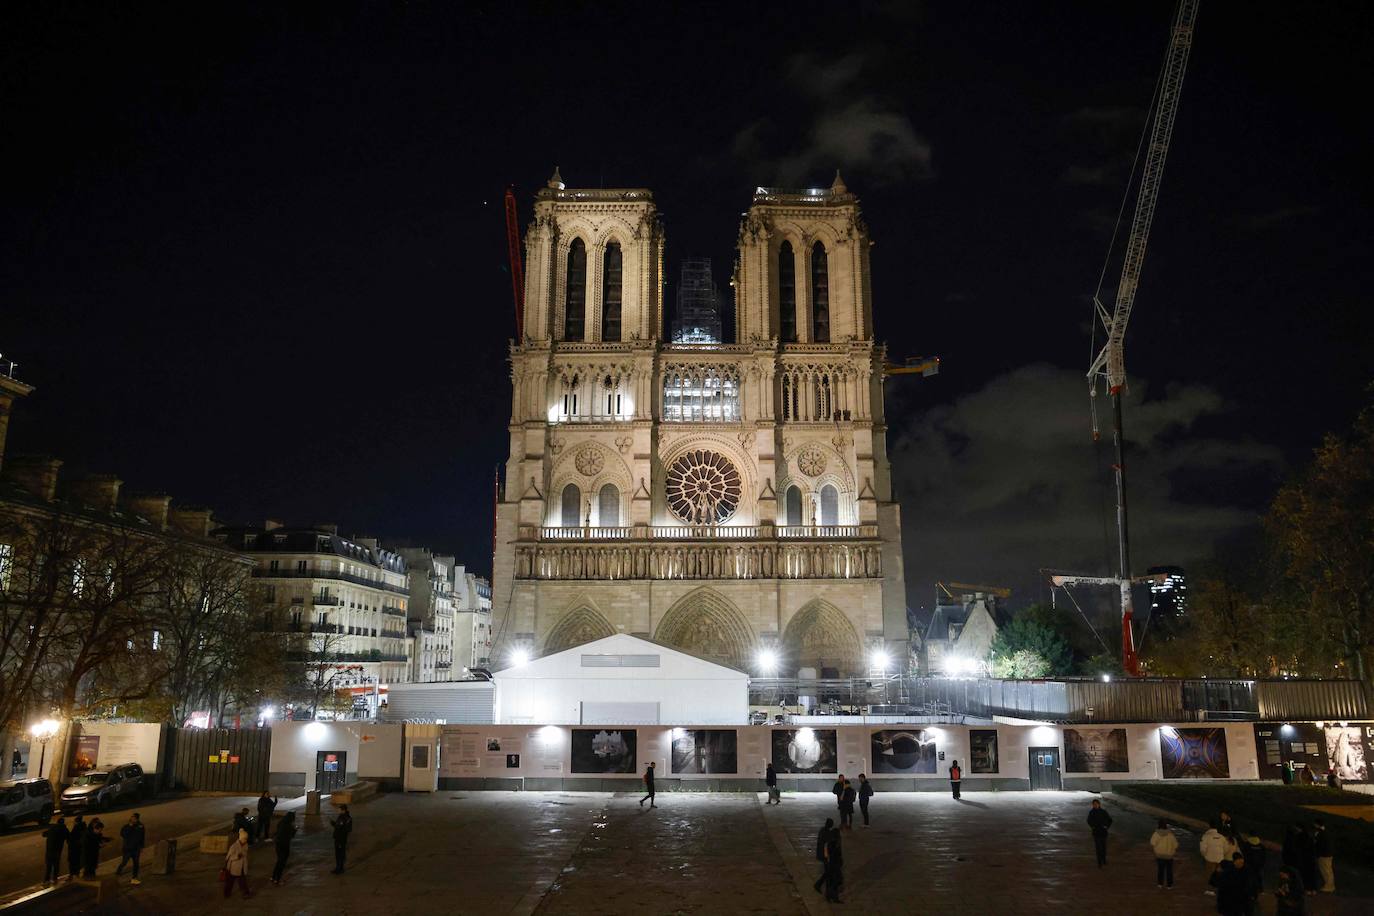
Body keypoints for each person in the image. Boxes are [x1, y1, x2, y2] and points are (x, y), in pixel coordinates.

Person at [1200, 819, 1230, 894]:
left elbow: (1202, 849)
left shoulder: (1206, 836)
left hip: (1210, 858)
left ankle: (1210, 890)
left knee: (1210, 874)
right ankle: (1218, 889)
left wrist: (1205, 855)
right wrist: (1222, 854)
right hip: (1220, 858)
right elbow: (1226, 848)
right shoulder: (1222, 837)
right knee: (1219, 874)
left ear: (1209, 826)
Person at [117, 813, 145, 885]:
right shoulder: (126, 826)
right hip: (128, 848)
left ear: (137, 819)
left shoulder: (140, 826)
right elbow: (123, 834)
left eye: (134, 818)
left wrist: (142, 846)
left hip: (136, 849)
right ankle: (118, 872)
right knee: (124, 862)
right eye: (132, 817)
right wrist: (130, 827)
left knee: (136, 864)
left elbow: (142, 837)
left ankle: (134, 878)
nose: (133, 819)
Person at [1149, 818, 1178, 889]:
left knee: (1160, 870)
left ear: (1158, 825)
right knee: (1169, 871)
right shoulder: (1170, 834)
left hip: (1159, 855)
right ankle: (1169, 885)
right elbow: (1176, 845)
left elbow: (1152, 843)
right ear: (1166, 825)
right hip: (1169, 856)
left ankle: (1160, 884)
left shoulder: (1156, 834)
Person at [223, 828, 251, 898]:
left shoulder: (246, 845)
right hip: (234, 868)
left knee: (243, 882)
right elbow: (228, 857)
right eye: (244, 839)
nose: (245, 840)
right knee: (230, 882)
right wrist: (237, 856)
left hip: (242, 867)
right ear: (241, 839)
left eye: (246, 839)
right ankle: (227, 893)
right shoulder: (234, 846)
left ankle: (246, 893)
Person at [271, 811, 297, 885]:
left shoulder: (281, 822)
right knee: (282, 863)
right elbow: (291, 836)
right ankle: (277, 880)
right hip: (284, 845)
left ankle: (273, 877)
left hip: (278, 844)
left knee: (279, 861)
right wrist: (295, 830)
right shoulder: (288, 826)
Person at [1241, 836, 1265, 909]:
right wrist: (1261, 864)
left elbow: (1244, 854)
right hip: (1258, 866)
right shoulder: (1261, 846)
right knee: (1257, 879)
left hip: (1249, 866)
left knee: (1249, 880)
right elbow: (1264, 856)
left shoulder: (1247, 844)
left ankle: (1249, 894)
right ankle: (1256, 893)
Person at [43, 816, 69, 884]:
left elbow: (44, 834)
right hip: (57, 851)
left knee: (49, 866)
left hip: (49, 851)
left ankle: (46, 880)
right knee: (56, 866)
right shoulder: (64, 829)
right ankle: (55, 879)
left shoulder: (52, 828)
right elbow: (69, 837)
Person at [822, 823, 844, 903]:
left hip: (831, 863)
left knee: (831, 880)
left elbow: (826, 854)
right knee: (836, 880)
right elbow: (834, 854)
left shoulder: (830, 842)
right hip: (833, 864)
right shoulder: (834, 843)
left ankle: (830, 896)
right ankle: (832, 896)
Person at [1087, 798, 1112, 867]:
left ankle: (1104, 860)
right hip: (1096, 833)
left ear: (1099, 804)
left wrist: (1106, 826)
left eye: (1096, 804)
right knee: (1098, 848)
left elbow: (1110, 820)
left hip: (1103, 832)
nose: (1095, 805)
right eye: (1094, 804)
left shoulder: (1103, 812)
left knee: (1104, 847)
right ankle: (1099, 862)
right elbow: (1089, 821)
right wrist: (1092, 826)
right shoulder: (1091, 812)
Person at [811, 818, 834, 895]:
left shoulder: (822, 830)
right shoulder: (827, 833)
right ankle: (819, 885)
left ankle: (819, 885)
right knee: (828, 872)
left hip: (822, 854)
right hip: (825, 855)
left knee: (828, 871)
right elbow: (826, 845)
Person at [1294, 823, 1318, 896]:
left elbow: (1298, 848)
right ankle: (1313, 890)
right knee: (1311, 875)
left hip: (1304, 859)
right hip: (1311, 859)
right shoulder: (1310, 837)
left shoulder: (1299, 837)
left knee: (1304, 875)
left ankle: (1306, 889)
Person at [329, 804, 353, 874]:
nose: (338, 810)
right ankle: (339, 867)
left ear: (343, 810)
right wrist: (334, 823)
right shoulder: (345, 817)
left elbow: (341, 827)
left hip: (340, 838)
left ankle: (339, 868)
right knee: (340, 853)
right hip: (340, 837)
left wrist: (334, 824)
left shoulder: (345, 817)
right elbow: (339, 825)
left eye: (339, 809)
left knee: (339, 853)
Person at [1312, 819, 1333, 893]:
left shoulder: (1321, 833)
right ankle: (1330, 886)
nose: (1314, 826)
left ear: (1317, 824)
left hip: (1324, 855)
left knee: (1326, 871)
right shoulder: (1324, 832)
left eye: (1315, 824)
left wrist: (1317, 854)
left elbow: (1320, 845)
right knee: (1328, 871)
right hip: (1327, 854)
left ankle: (1329, 887)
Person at [67, 814, 86, 881]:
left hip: (74, 849)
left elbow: (71, 839)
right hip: (79, 849)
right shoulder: (83, 828)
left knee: (73, 863)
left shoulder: (76, 828)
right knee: (77, 862)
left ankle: (72, 875)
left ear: (76, 822)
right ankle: (76, 874)